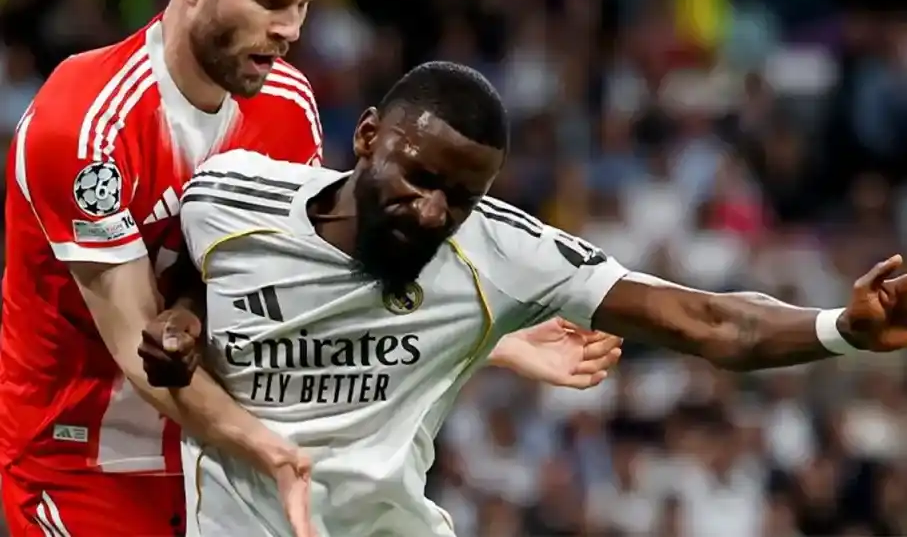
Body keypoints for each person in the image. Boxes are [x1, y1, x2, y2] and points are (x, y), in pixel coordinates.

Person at [0, 0, 620, 536]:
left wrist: (486, 339)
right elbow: (139, 352)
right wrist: (272, 453)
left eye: (302, 5)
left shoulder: (287, 102)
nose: (289, 29)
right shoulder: (88, 124)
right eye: (269, 1)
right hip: (83, 458)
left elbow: (300, 291)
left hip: (216, 457)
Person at [147, 60, 907, 537]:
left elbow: (707, 320)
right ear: (368, 137)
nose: (435, 213)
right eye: (419, 178)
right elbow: (192, 272)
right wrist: (180, 318)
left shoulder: (498, 250)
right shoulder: (230, 195)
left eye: (462, 196)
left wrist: (839, 328)